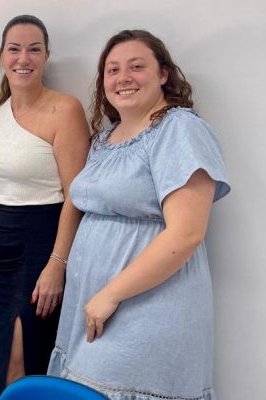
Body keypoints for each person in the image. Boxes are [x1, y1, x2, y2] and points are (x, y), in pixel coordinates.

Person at [47, 30, 230, 400]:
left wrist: (111, 294)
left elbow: (186, 233)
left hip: (145, 306)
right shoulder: (105, 138)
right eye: (112, 70)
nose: (123, 77)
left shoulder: (179, 128)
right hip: (93, 303)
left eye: (136, 67)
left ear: (163, 74)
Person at [0, 15, 90, 398]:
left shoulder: (65, 110)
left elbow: (76, 196)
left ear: (46, 56)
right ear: (2, 56)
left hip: (38, 247)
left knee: (24, 362)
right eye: (14, 49)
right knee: (0, 359)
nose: (23, 58)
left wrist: (57, 264)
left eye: (34, 49)